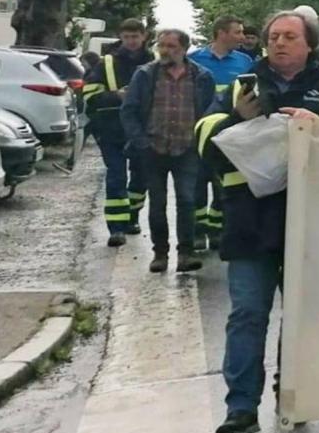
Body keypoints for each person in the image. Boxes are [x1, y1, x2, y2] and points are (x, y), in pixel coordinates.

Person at [196, 11, 319, 433]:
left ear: (309, 44)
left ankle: (293, 393)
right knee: (247, 316)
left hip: (313, 222)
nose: (279, 43)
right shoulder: (242, 87)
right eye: (274, 36)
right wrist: (237, 119)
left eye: (290, 37)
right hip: (251, 222)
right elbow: (202, 138)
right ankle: (240, 408)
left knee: (302, 318)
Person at [121, 29, 216, 274]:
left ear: (184, 48)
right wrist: (141, 141)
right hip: (153, 148)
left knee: (187, 201)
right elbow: (129, 110)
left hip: (187, 149)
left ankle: (185, 253)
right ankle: (160, 253)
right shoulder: (145, 75)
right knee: (158, 203)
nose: (165, 50)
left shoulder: (201, 76)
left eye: (171, 46)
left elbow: (210, 112)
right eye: (161, 45)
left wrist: (201, 142)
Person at [81, 18, 154, 246]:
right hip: (112, 129)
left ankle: (132, 216)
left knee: (141, 177)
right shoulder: (107, 63)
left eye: (135, 36)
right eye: (127, 37)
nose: (131, 41)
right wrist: (116, 96)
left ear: (144, 36)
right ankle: (116, 228)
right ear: (121, 37)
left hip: (144, 130)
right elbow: (89, 94)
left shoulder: (156, 61)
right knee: (116, 176)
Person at [186, 16, 255, 252]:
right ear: (221, 33)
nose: (242, 37)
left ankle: (216, 231)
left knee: (222, 184)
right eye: (238, 32)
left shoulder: (245, 61)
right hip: (198, 130)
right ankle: (197, 231)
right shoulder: (194, 60)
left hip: (230, 131)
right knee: (196, 184)